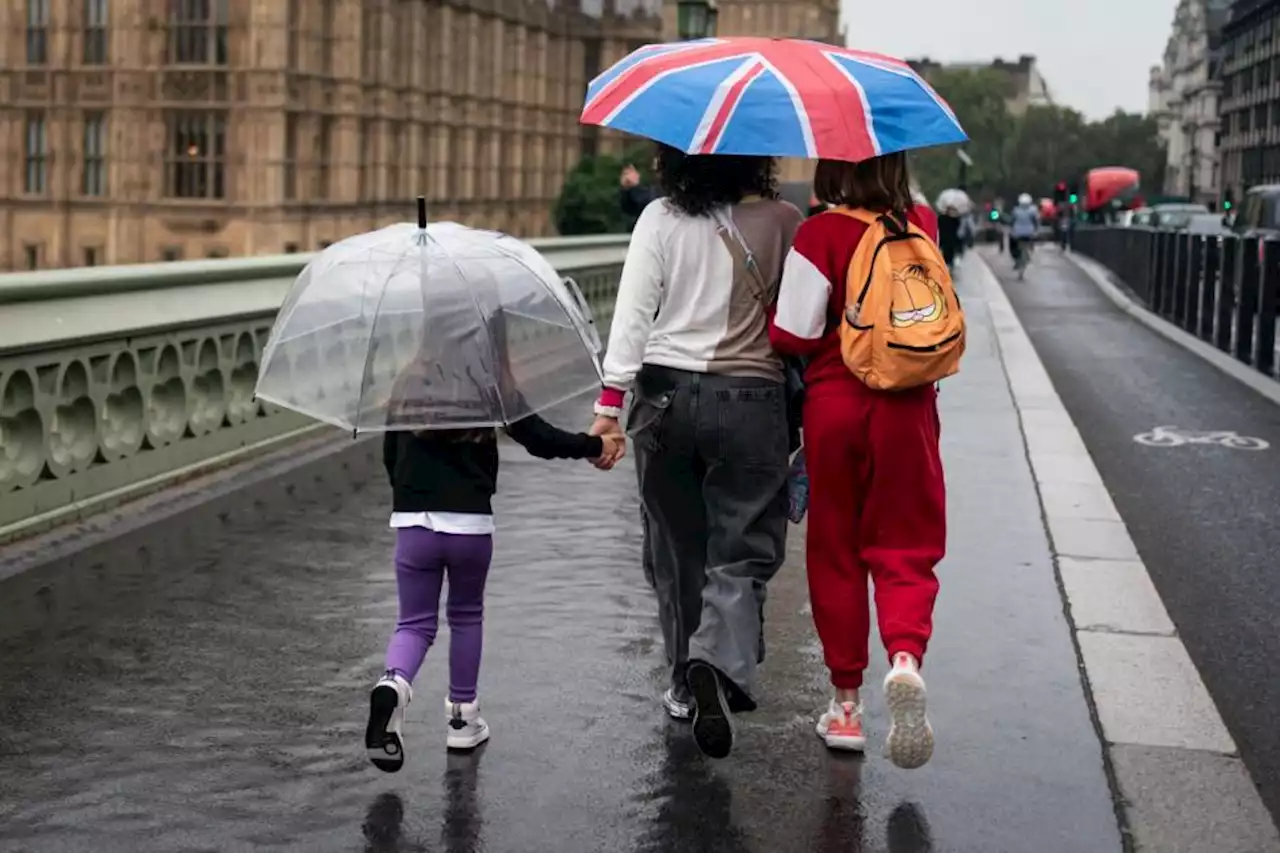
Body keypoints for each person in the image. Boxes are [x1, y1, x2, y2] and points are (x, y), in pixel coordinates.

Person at [590, 144, 803, 759]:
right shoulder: (787, 222)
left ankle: (685, 679)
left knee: (676, 550)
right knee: (741, 551)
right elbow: (806, 324)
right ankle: (718, 660)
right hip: (752, 401)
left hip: (663, 401)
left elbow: (632, 316)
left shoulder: (658, 217)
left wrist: (609, 407)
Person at [365, 349, 624, 773]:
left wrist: (411, 499)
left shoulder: (407, 381)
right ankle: (462, 720)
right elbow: (539, 438)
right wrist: (594, 445)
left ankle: (393, 684)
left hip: (414, 522)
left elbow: (390, 457)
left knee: (414, 624)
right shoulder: (487, 383)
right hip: (469, 523)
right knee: (466, 616)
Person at [768, 152, 946, 770]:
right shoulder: (921, 222)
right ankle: (904, 659)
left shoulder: (819, 233)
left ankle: (845, 707)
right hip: (909, 405)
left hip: (836, 404)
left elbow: (789, 334)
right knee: (906, 542)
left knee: (836, 547)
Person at [1009, 193, 1040, 268]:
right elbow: (1036, 221)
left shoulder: (1016, 210)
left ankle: (1016, 259)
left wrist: (1011, 228)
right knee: (1031, 240)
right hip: (1029, 232)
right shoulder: (1033, 210)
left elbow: (1012, 221)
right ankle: (1030, 250)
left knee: (1012, 245)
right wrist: (1036, 230)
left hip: (1017, 233)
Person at [936, 204, 962, 269]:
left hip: (952, 239)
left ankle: (950, 265)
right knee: (945, 252)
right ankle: (946, 265)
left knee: (951, 252)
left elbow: (958, 227)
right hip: (943, 238)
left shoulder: (955, 219)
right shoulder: (942, 217)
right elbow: (938, 226)